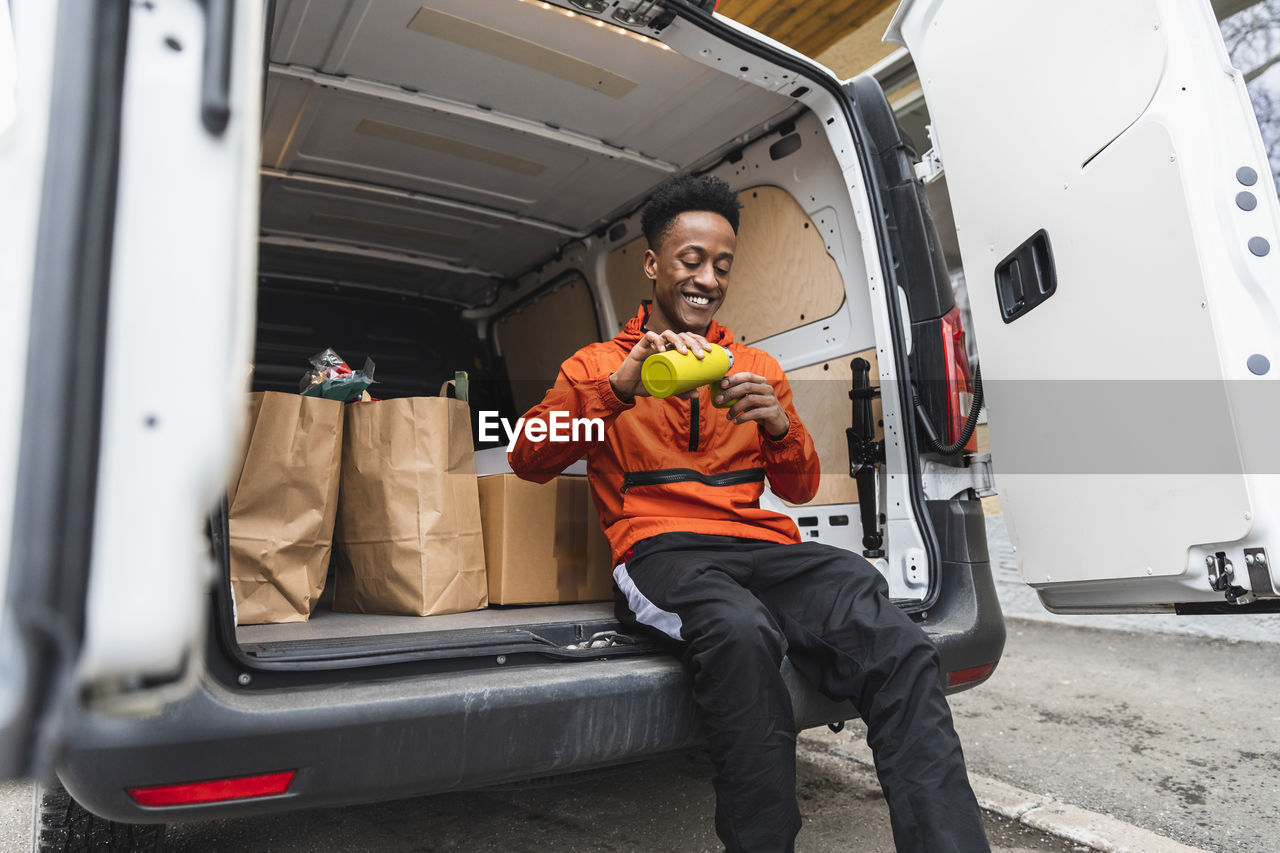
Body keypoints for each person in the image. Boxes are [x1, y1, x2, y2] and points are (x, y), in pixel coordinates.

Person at [509, 174, 989, 853]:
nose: (708, 277)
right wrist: (616, 389)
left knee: (889, 631)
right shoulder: (598, 364)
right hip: (662, 553)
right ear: (653, 266)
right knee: (741, 632)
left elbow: (798, 488)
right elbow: (529, 456)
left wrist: (778, 427)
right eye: (691, 260)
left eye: (722, 265)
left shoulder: (756, 364)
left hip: (761, 549)